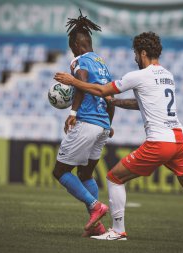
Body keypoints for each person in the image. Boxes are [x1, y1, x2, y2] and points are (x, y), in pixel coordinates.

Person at [54, 31, 183, 245]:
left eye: (136, 54)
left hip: (159, 142)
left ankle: (118, 231)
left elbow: (100, 89)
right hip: (179, 141)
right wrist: (116, 103)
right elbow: (141, 103)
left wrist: (72, 80)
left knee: (114, 178)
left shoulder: (138, 75)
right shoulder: (167, 75)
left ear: (143, 53)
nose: (135, 58)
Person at [52, 10, 114, 237]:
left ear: (77, 46)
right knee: (86, 175)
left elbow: (81, 83)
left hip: (87, 122)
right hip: (102, 127)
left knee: (60, 172)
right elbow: (110, 99)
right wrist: (109, 123)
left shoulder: (79, 61)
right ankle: (97, 225)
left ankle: (96, 206)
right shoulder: (102, 63)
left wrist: (73, 111)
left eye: (71, 49)